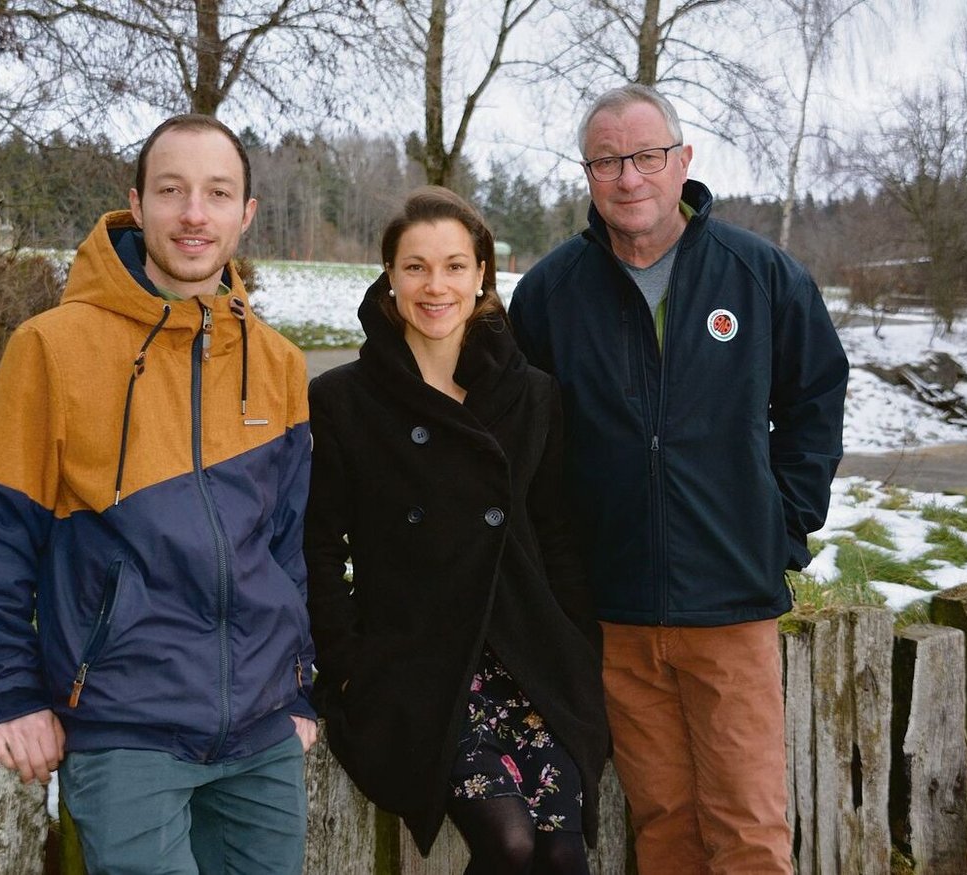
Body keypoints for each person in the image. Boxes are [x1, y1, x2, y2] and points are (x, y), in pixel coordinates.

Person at [0, 114, 317, 875]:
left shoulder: (278, 362)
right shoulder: (51, 347)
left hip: (261, 735)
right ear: (136, 202)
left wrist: (300, 689)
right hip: (128, 729)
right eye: (172, 190)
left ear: (245, 214)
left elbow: (288, 548)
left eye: (217, 193)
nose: (194, 213)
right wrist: (8, 691)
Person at [509, 85, 849, 874]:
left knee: (748, 832)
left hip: (729, 604)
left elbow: (815, 399)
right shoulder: (551, 295)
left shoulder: (758, 274)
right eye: (606, 161)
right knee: (663, 827)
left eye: (646, 157)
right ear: (588, 174)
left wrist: (782, 524)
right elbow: (529, 446)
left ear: (682, 161)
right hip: (617, 613)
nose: (629, 177)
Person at [305, 187, 609, 874]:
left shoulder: (532, 394)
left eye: (452, 265)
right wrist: (348, 665)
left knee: (563, 853)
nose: (434, 285)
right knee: (509, 842)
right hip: (418, 668)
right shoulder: (344, 400)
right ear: (390, 277)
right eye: (414, 267)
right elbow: (320, 547)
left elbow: (558, 534)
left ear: (481, 275)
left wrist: (579, 649)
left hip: (531, 658)